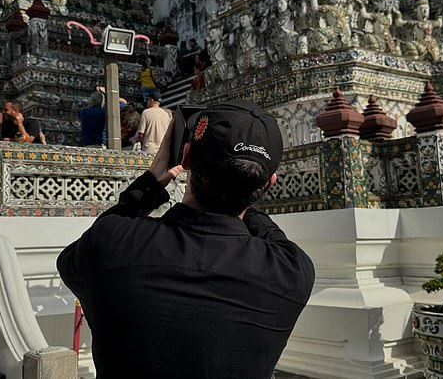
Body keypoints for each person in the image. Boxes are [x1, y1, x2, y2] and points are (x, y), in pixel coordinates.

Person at [57, 100, 315, 379]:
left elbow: (72, 263)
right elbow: (269, 233)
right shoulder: (292, 272)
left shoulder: (113, 242)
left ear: (187, 157)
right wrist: (244, 188)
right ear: (270, 183)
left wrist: (149, 186)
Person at [135, 90, 172, 154]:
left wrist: (139, 140)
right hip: (163, 150)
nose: (147, 102)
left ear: (151, 100)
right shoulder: (166, 114)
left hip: (149, 149)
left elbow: (141, 134)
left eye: (148, 100)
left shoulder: (146, 113)